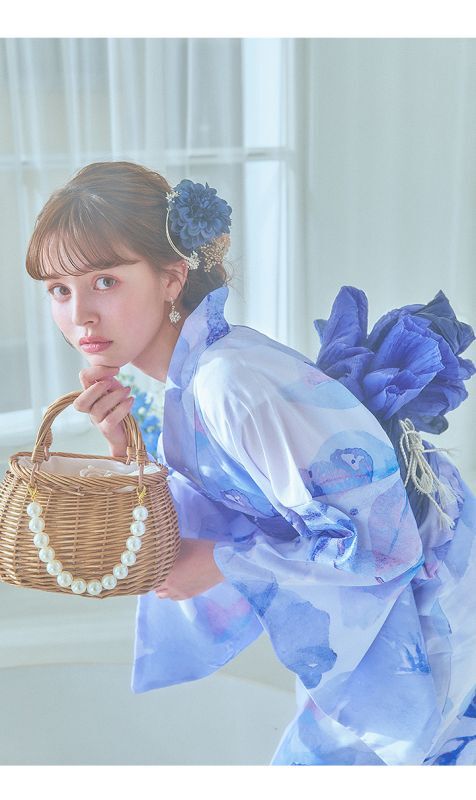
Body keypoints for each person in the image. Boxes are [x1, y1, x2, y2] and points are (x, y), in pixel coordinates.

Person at [25, 160, 476, 766]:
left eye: (104, 280)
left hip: (431, 614)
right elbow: (232, 506)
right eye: (59, 289)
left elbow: (384, 545)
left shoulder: (229, 382)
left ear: (171, 277)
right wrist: (126, 451)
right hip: (386, 618)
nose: (79, 314)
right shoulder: (194, 377)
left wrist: (220, 563)